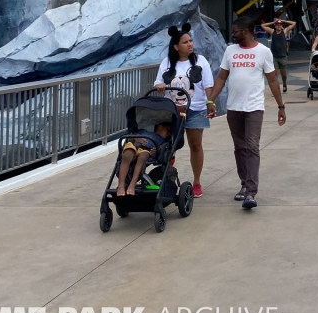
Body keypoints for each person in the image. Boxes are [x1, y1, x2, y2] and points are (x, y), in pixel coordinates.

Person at [209, 17, 286, 210]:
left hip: (254, 108)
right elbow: (221, 77)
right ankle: (244, 184)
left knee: (252, 146)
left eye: (235, 31)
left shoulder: (263, 52)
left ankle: (251, 192)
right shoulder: (230, 51)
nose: (232, 34)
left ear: (246, 31)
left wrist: (281, 106)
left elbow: (272, 80)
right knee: (239, 147)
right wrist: (211, 100)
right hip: (233, 107)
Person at [154, 24, 216, 198]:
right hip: (172, 111)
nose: (190, 44)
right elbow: (158, 82)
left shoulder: (200, 61)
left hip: (195, 109)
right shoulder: (166, 63)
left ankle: (196, 182)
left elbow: (208, 84)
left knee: (195, 145)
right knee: (168, 144)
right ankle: (166, 175)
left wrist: (210, 102)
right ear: (176, 46)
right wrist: (160, 86)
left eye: (190, 41)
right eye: (185, 42)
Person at [115, 120, 171, 196]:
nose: (169, 133)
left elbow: (162, 149)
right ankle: (121, 185)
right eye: (168, 130)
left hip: (146, 150)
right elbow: (130, 138)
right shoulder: (144, 131)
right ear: (160, 127)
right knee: (126, 156)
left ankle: (132, 184)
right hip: (134, 145)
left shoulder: (164, 141)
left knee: (142, 157)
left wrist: (157, 150)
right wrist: (136, 138)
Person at [260, 17, 296, 92]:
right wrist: (273, 22)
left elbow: (294, 23)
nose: (279, 26)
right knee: (275, 74)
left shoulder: (284, 31)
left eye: (280, 25)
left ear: (282, 25)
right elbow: (263, 25)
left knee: (283, 74)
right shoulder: (272, 31)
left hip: (283, 56)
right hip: (274, 56)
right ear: (275, 26)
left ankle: (284, 84)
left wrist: (283, 20)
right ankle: (276, 89)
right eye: (277, 25)